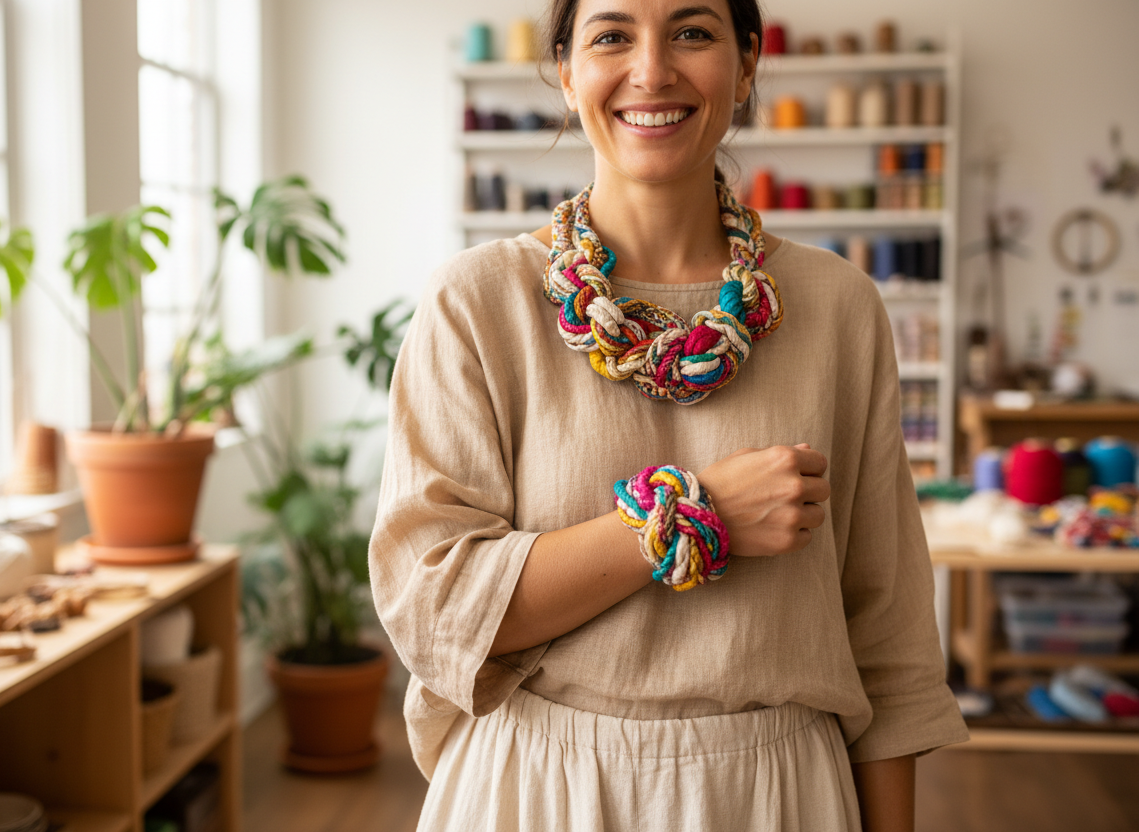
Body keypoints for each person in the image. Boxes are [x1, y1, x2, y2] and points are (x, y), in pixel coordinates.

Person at [370, 1, 968, 829]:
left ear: (748, 64)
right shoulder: (476, 303)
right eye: (612, 36)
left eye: (693, 32)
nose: (652, 71)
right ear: (567, 72)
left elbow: (891, 640)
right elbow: (438, 610)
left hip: (779, 795)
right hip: (537, 790)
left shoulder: (839, 308)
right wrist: (696, 512)